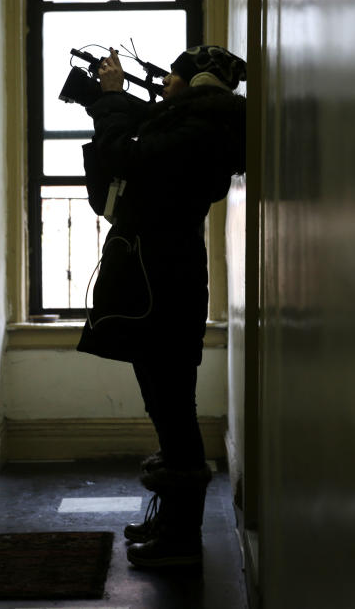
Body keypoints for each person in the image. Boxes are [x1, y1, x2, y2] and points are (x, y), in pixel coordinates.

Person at [77, 44, 247, 567]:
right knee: (165, 402)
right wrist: (107, 97)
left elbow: (123, 156)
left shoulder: (199, 130)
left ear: (198, 84)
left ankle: (179, 542)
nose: (165, 85)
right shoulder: (202, 122)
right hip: (163, 278)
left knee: (172, 406)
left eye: (173, 77)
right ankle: (172, 526)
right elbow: (150, 122)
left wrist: (109, 102)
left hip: (162, 283)